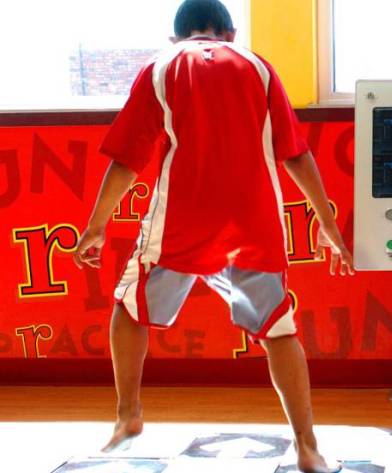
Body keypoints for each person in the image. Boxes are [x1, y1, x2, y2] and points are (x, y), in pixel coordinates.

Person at [73, 1, 352, 472]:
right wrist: (327, 223)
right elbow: (296, 154)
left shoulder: (162, 66)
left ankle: (128, 415)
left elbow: (127, 160)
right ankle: (307, 446)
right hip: (254, 224)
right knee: (279, 330)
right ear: (231, 32)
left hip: (183, 220)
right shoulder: (259, 67)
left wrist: (96, 226)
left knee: (129, 308)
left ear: (175, 37)